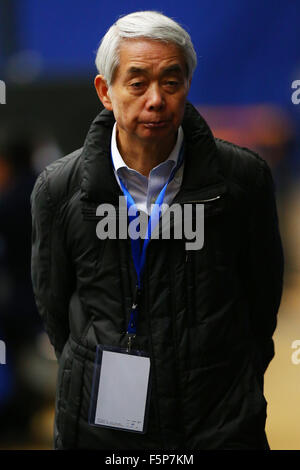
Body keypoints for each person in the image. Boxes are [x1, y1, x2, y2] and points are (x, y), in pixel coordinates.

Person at [31, 11, 284, 450]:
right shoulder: (60, 189)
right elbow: (55, 308)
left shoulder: (242, 180)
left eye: (171, 81)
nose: (155, 99)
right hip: (102, 427)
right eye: (137, 82)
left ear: (187, 86)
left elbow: (261, 301)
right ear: (105, 91)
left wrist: (232, 379)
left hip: (217, 423)